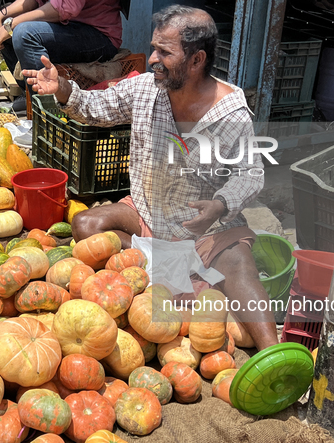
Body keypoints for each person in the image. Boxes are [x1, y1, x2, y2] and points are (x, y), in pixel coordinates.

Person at [23, 5, 279, 351]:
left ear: (196, 59)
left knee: (237, 262)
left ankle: (274, 353)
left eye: (165, 52)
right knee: (86, 225)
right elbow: (98, 108)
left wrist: (220, 206)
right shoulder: (146, 88)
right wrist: (63, 89)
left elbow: (250, 176)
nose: (154, 59)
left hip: (204, 230)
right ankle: (181, 273)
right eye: (154, 48)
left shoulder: (230, 111)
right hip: (145, 211)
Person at [0, 0, 123, 111]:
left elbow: (65, 7)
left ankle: (45, 114)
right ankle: (28, 96)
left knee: (23, 33)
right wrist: (0, 16)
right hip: (65, 26)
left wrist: (11, 25)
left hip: (99, 36)